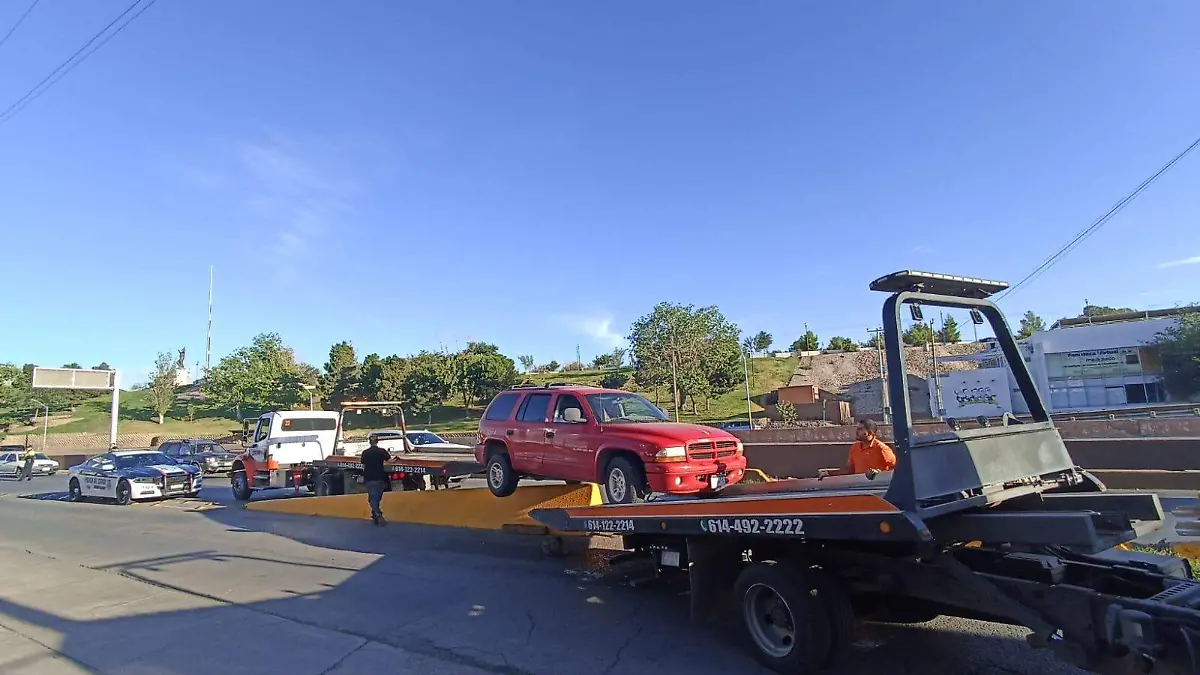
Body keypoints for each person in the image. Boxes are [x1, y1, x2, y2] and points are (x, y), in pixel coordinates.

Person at [819, 419, 896, 479]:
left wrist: (879, 474)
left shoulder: (882, 449)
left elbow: (896, 470)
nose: (857, 431)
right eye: (857, 428)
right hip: (859, 487)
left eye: (860, 429)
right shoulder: (854, 448)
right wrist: (829, 473)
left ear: (869, 433)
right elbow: (850, 470)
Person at [360, 436, 391, 526]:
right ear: (377, 442)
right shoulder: (381, 451)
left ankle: (377, 515)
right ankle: (376, 516)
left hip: (369, 478)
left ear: (370, 442)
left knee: (372, 499)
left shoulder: (365, 453)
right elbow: (390, 460)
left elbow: (363, 464)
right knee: (376, 498)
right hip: (380, 477)